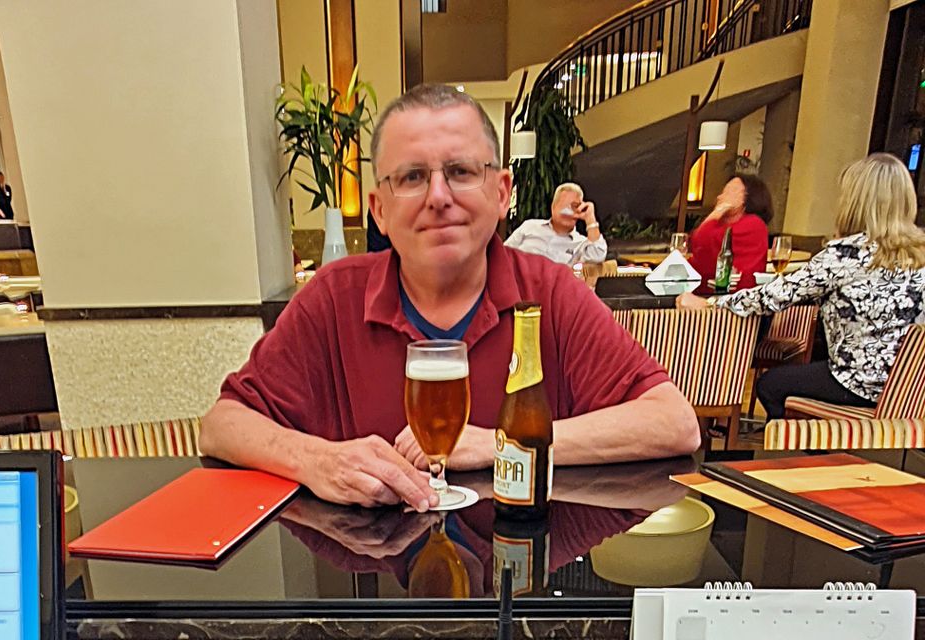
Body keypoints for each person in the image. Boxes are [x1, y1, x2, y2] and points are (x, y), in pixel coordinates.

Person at [200, 84, 699, 510]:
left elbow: (674, 424)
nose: (439, 197)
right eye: (412, 177)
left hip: (519, 591)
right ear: (378, 209)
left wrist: (495, 445)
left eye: (461, 172)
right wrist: (316, 460)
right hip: (374, 603)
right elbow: (221, 426)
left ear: (502, 193)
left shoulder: (550, 292)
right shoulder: (333, 297)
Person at [678, 153, 925, 420]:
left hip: (856, 382)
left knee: (771, 385)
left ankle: (795, 455)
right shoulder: (919, 255)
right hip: (906, 387)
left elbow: (774, 297)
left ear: (855, 202)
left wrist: (711, 302)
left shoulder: (847, 255)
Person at [688, 173, 772, 290]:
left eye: (730, 192)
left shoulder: (754, 224)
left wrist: (720, 209)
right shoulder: (719, 224)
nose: (720, 197)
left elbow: (701, 240)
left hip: (731, 299)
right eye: (723, 192)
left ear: (746, 198)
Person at [504, 182, 607, 266]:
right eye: (564, 206)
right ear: (553, 207)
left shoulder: (580, 244)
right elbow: (503, 254)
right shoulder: (529, 226)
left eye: (575, 206)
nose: (569, 211)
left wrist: (590, 219)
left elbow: (598, 255)